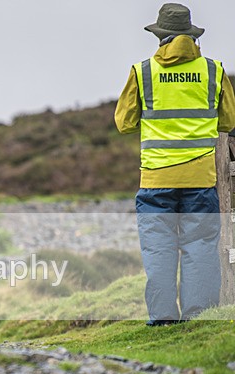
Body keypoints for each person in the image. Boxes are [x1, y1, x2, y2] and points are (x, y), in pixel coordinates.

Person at [115, 3, 235, 325]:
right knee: (199, 247)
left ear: (160, 37)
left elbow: (124, 123)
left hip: (156, 180)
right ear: (191, 36)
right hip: (200, 178)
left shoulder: (142, 72)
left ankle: (163, 319)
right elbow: (228, 121)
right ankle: (198, 318)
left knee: (159, 249)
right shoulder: (214, 70)